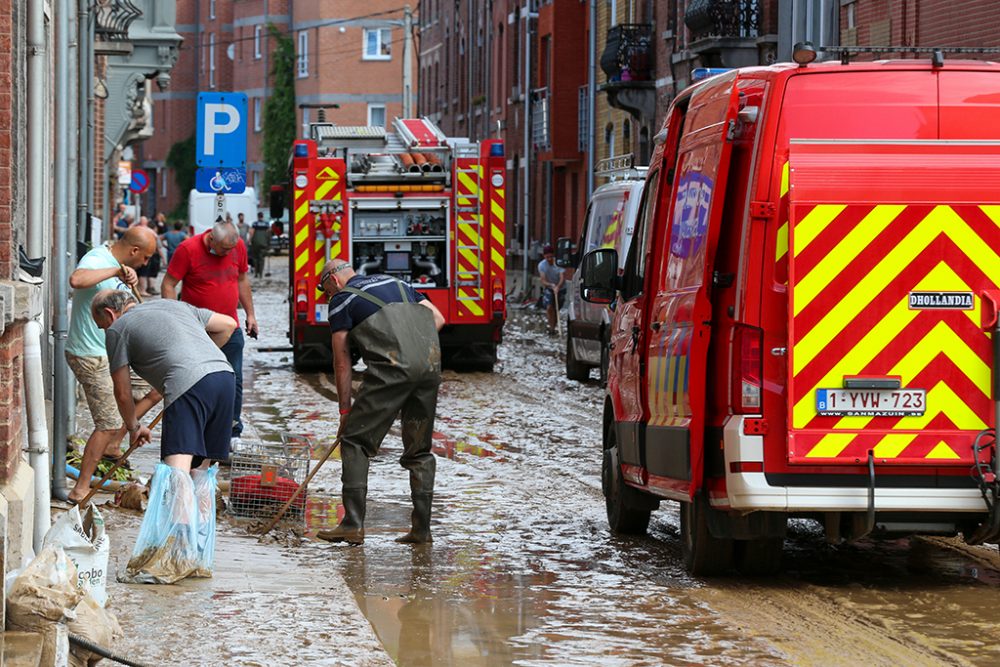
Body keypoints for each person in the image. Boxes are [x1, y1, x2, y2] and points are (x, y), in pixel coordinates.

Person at [317, 261, 445, 545]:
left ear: (333, 281)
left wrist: (345, 411)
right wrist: (412, 347)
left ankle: (352, 524)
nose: (327, 297)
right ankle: (421, 530)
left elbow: (341, 361)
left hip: (390, 371)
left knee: (355, 441)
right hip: (428, 368)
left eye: (325, 291)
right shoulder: (398, 283)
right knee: (419, 450)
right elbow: (437, 318)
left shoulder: (341, 299)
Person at [91, 289, 237, 473]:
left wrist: (133, 427)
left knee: (177, 472)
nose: (105, 331)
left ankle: (179, 502)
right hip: (224, 377)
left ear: (109, 314)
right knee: (201, 471)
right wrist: (197, 361)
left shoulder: (118, 328)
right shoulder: (174, 305)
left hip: (187, 383)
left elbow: (122, 393)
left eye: (101, 326)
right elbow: (228, 325)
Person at [65, 226, 161, 504]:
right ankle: (80, 488)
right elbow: (77, 279)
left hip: (117, 352)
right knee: (106, 423)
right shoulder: (98, 260)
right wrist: (114, 272)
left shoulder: (121, 269)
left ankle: (114, 444)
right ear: (134, 251)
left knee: (157, 387)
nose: (145, 264)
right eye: (145, 258)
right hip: (90, 354)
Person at [161, 221, 258, 444]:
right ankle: (197, 429)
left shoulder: (238, 247)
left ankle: (233, 431)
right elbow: (168, 284)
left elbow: (242, 280)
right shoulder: (188, 249)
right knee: (196, 378)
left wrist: (250, 315)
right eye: (224, 249)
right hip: (197, 328)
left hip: (230, 325)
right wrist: (175, 319)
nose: (227, 253)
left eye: (231, 249)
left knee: (233, 378)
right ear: (211, 239)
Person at [538, 244, 566, 336]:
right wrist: (551, 285)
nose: (549, 259)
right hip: (549, 288)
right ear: (544, 256)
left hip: (561, 288)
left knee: (557, 308)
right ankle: (552, 328)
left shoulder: (559, 263)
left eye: (551, 256)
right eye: (547, 257)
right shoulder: (542, 265)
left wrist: (558, 286)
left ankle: (555, 325)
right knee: (550, 307)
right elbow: (543, 280)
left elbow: (562, 278)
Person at [249, 211, 271, 278]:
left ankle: (256, 273)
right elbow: (269, 233)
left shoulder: (255, 224)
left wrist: (250, 240)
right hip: (263, 243)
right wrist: (268, 243)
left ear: (258, 216)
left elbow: (252, 232)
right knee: (262, 258)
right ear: (262, 216)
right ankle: (261, 273)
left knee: (255, 258)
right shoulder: (266, 224)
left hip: (256, 242)